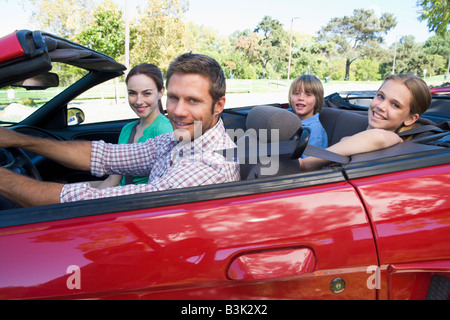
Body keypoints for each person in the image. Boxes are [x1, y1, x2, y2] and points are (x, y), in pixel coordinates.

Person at [0, 53, 240, 207]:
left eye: (193, 101)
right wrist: (19, 139)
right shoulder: (177, 140)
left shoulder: (209, 165)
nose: (178, 111)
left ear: (219, 105)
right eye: (174, 98)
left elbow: (104, 202)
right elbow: (105, 156)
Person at [300, 74, 432, 172]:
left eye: (395, 105)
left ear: (410, 119)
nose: (381, 106)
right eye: (380, 96)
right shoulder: (360, 139)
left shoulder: (393, 138)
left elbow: (379, 137)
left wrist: (305, 163)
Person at [92, 63, 173, 189]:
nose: (138, 101)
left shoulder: (165, 130)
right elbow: (114, 178)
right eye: (132, 93)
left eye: (146, 94)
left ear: (160, 92)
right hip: (119, 191)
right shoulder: (127, 129)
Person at [289, 75, 328, 149]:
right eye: (297, 93)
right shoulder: (290, 120)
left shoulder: (315, 130)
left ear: (317, 100)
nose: (301, 98)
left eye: (308, 94)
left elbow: (308, 160)